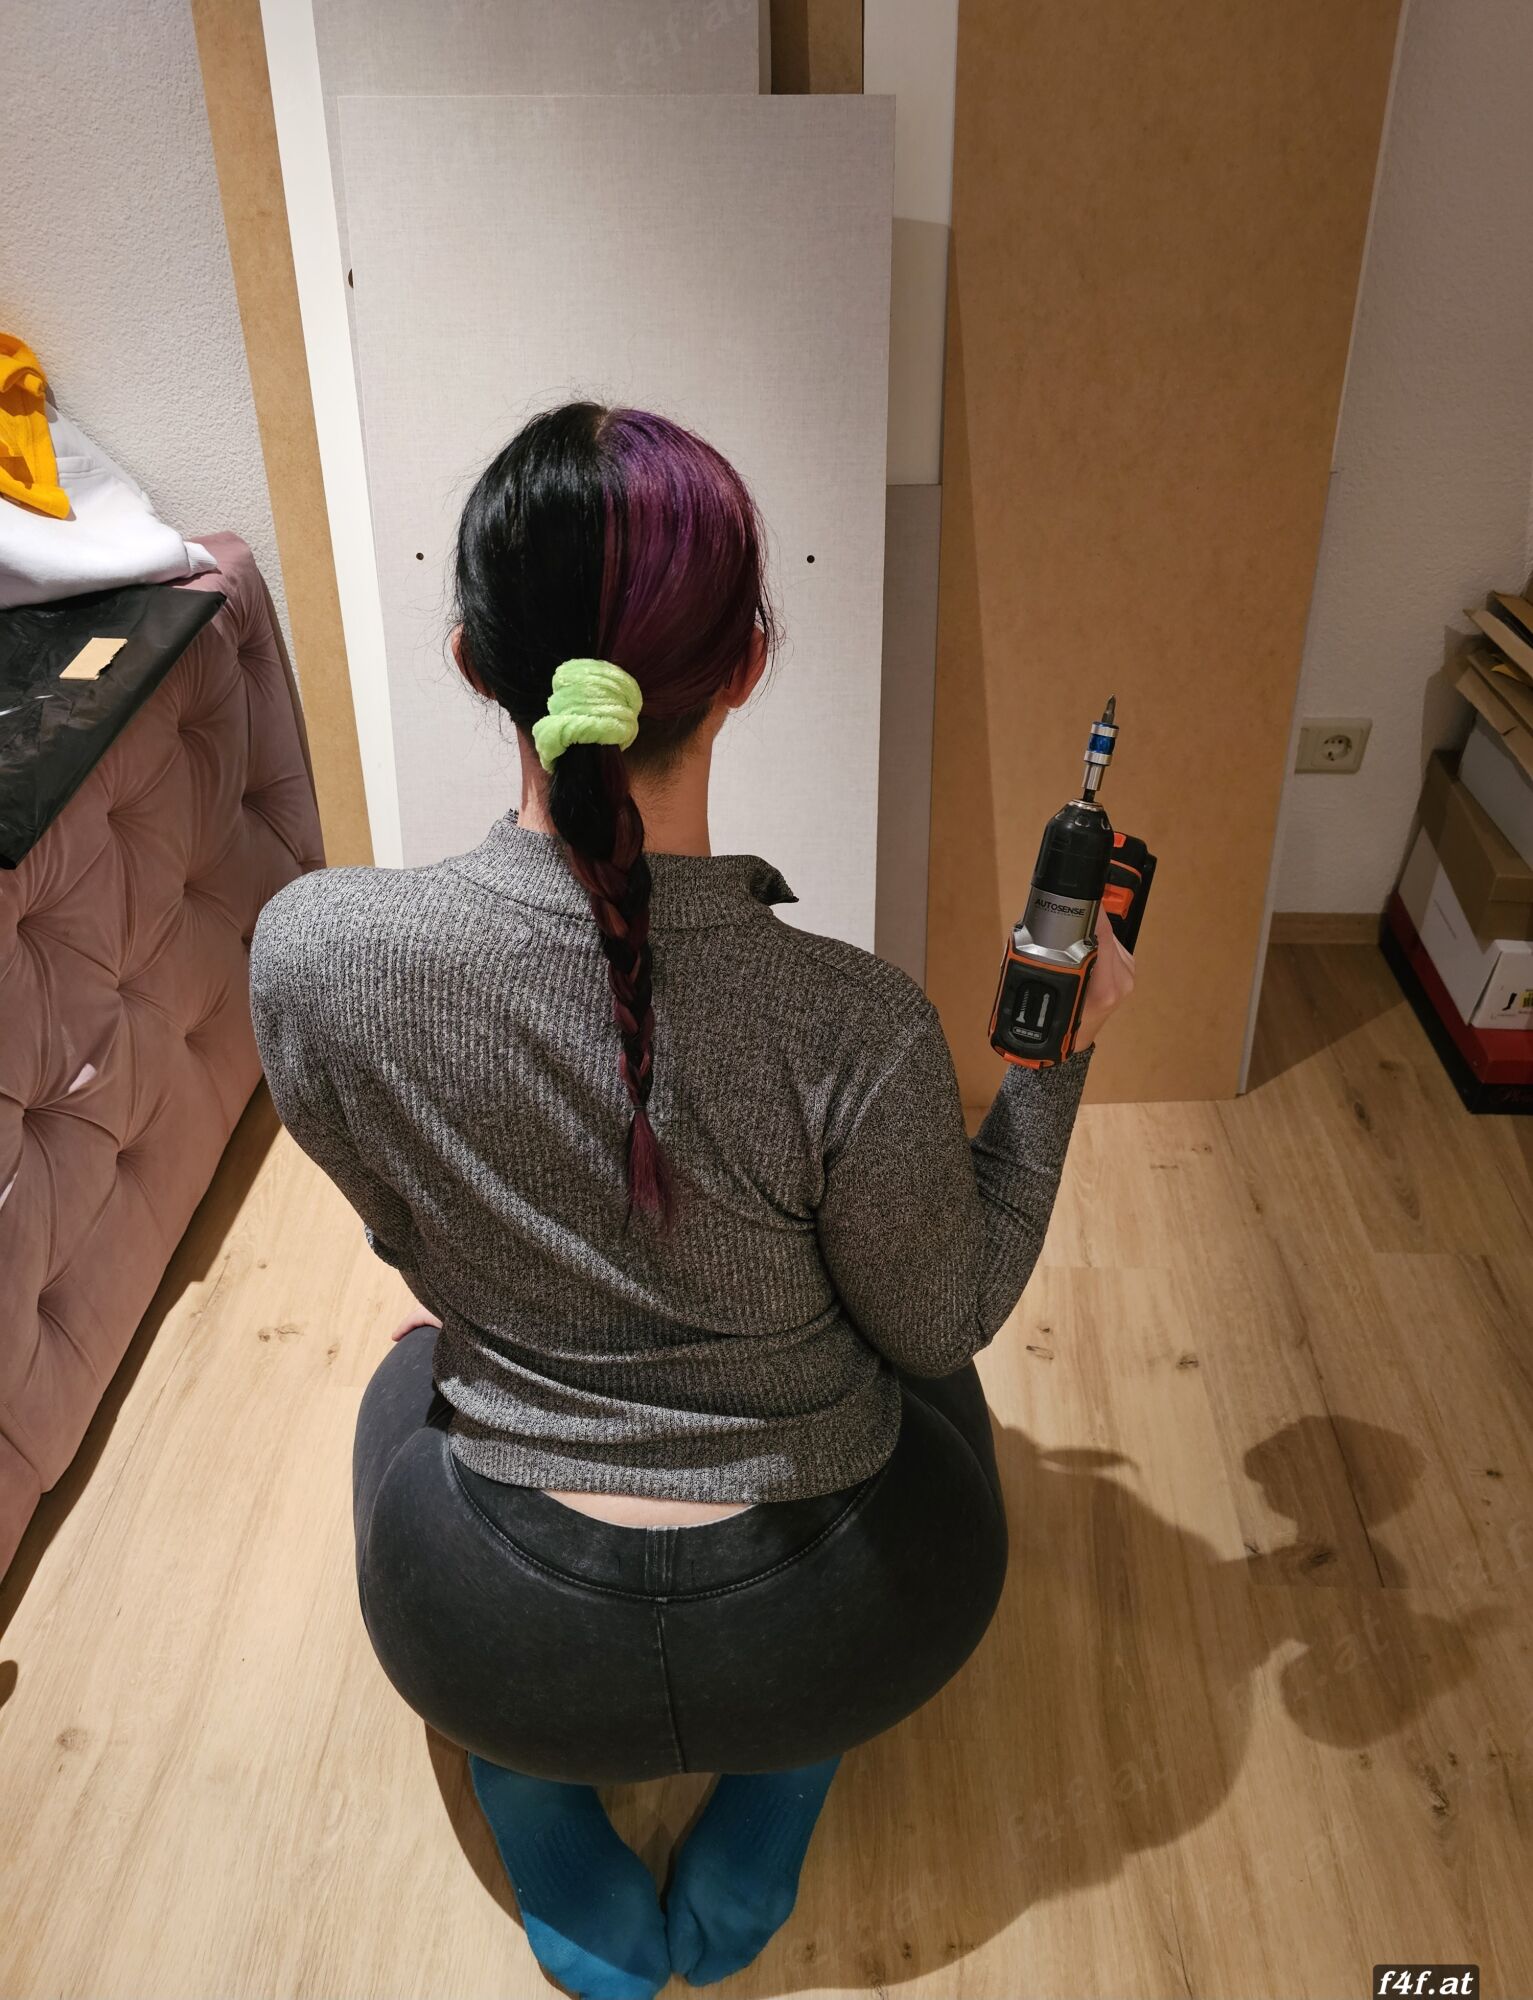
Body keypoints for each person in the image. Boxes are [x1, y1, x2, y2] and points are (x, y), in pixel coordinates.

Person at [249, 403, 1133, 2000]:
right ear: (748, 666)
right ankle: (782, 1764)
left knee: (405, 1372)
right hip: (842, 1630)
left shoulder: (316, 957)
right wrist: (1052, 1058)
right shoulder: (855, 1023)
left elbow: (402, 1231)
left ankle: (529, 1779)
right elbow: (944, 1313)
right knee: (927, 1362)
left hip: (490, 1634)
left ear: (470, 661)